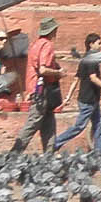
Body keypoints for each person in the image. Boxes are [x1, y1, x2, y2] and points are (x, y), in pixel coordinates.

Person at [11, 18, 61, 152]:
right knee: (33, 122)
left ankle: (49, 154)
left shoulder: (35, 44)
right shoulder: (47, 45)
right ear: (53, 31)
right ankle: (14, 152)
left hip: (36, 88)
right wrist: (58, 72)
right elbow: (43, 70)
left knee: (49, 123)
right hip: (43, 89)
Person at [59, 35, 101, 154]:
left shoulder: (85, 59)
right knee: (79, 127)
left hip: (91, 99)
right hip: (88, 100)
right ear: (91, 44)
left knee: (98, 125)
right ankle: (56, 143)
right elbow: (93, 78)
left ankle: (100, 152)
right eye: (99, 43)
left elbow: (76, 80)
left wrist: (68, 97)